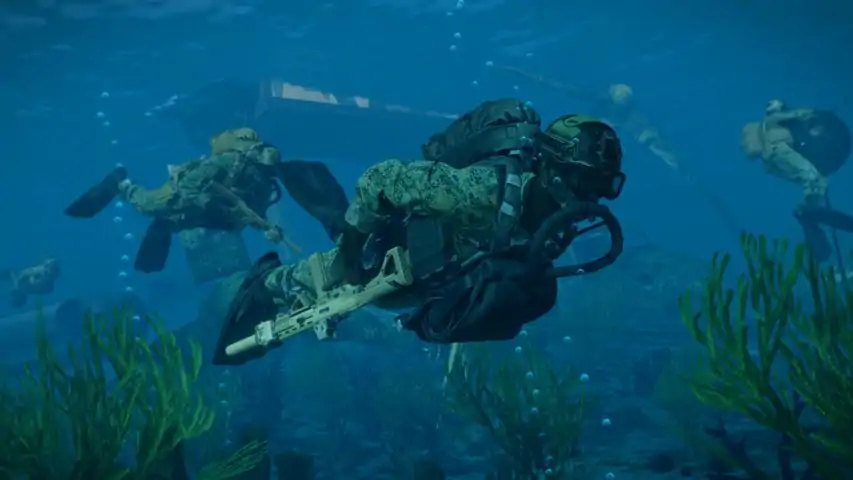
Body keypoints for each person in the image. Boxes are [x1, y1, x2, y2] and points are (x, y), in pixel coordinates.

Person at [213, 99, 628, 366]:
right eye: (584, 184)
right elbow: (380, 180)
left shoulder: (552, 225)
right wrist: (348, 259)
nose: (590, 201)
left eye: (601, 189)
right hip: (393, 252)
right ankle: (261, 285)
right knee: (317, 276)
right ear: (553, 168)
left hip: (428, 279)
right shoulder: (484, 190)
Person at [64, 128, 346, 273]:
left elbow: (253, 213)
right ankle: (121, 183)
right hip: (193, 196)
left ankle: (168, 225)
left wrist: (268, 229)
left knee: (196, 222)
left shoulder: (264, 185)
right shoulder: (227, 163)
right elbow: (189, 188)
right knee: (150, 206)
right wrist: (210, 204)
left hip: (215, 209)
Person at [742, 99, 853, 262]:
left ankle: (813, 217)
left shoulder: (780, 150)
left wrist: (812, 209)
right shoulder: (778, 144)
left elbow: (810, 176)